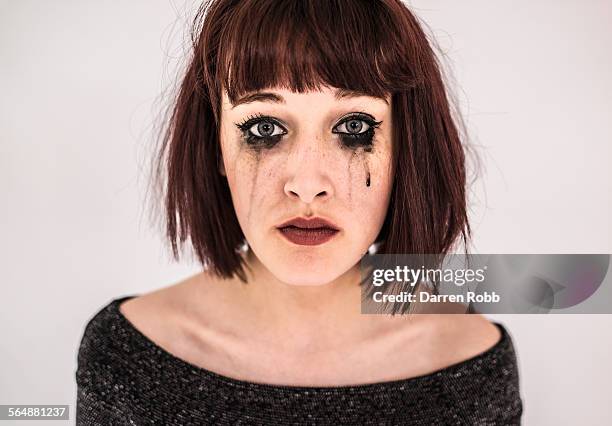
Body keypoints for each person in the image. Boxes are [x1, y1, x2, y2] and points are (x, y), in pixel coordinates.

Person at [75, 0, 523, 424]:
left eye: (354, 127)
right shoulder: (126, 356)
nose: (307, 185)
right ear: (216, 145)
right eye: (264, 128)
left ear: (406, 148)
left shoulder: (469, 363)